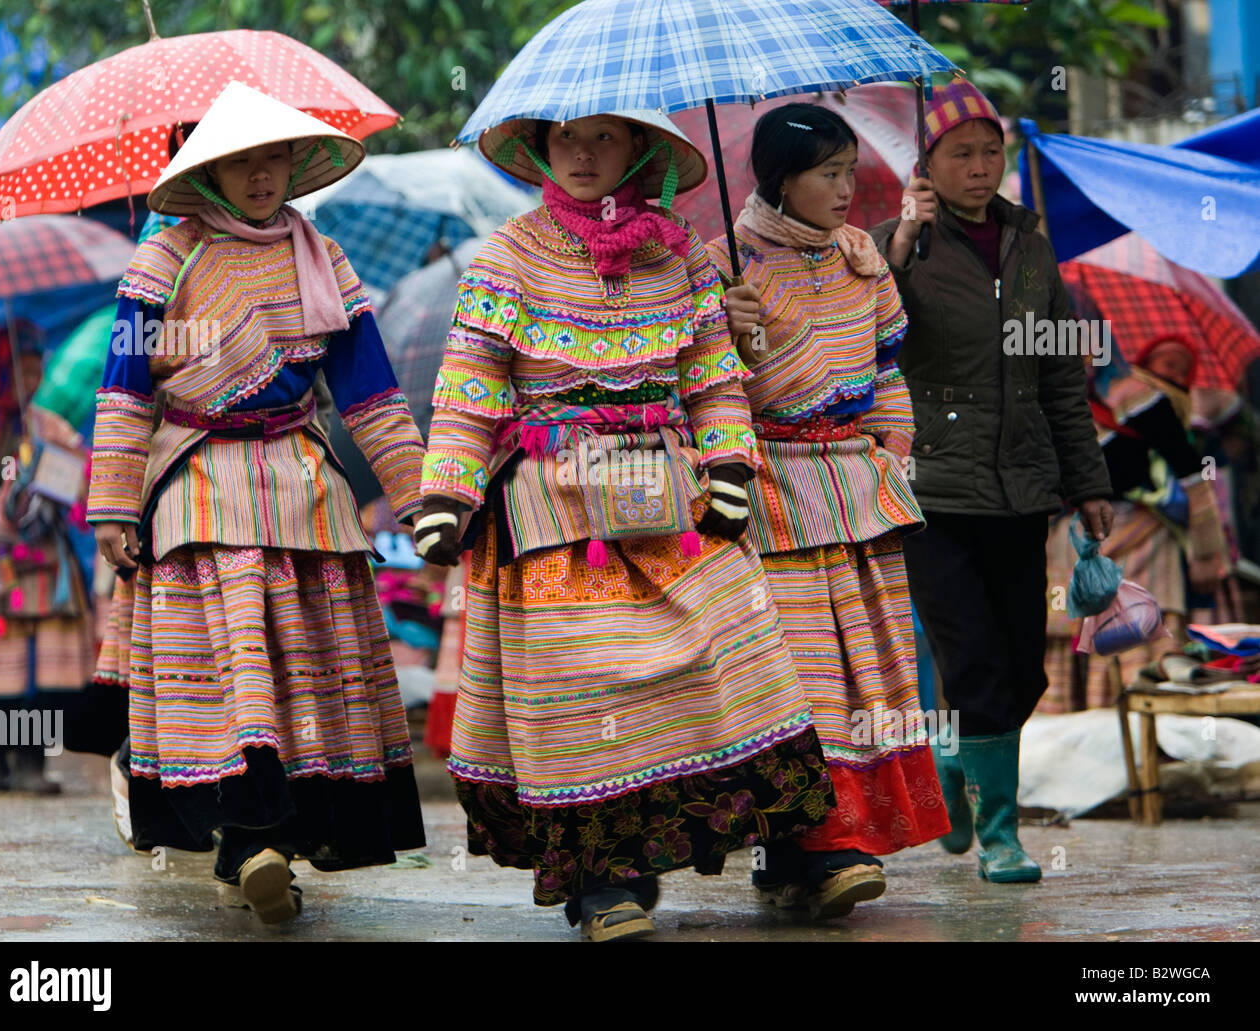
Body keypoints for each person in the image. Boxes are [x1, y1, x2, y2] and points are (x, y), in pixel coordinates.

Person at [414, 109, 833, 941]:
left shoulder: (679, 254)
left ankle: (797, 851)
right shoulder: (506, 256)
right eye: (564, 138)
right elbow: (469, 386)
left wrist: (730, 467)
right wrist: (446, 498)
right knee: (592, 689)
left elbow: (713, 377)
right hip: (557, 506)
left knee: (740, 647)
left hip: (673, 499)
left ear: (640, 150)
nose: (580, 153)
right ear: (539, 147)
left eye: (602, 138)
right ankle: (606, 883)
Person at [86, 82, 427, 924]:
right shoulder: (160, 262)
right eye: (238, 160)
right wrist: (113, 506)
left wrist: (424, 497)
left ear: (295, 162)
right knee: (235, 669)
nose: (259, 175)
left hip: (304, 489)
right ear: (204, 170)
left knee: (302, 669)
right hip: (200, 490)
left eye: (271, 156)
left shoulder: (324, 259)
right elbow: (125, 391)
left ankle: (271, 839)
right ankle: (246, 836)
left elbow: (372, 393)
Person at [869, 80, 1113, 883]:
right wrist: (902, 244)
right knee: (972, 661)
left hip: (1022, 491)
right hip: (931, 490)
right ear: (926, 163)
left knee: (1025, 666)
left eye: (989, 152)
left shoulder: (1033, 248)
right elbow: (873, 347)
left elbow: (1060, 381)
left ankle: (955, 763)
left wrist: (1090, 485)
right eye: (960, 154)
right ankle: (1001, 835)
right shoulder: (893, 245)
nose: (980, 168)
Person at [714, 104, 950, 917]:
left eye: (852, 171)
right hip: (770, 494)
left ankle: (818, 852)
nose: (848, 190)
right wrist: (723, 332)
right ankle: (810, 846)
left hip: (856, 490)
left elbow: (888, 372)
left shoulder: (863, 262)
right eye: (830, 174)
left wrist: (891, 449)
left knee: (867, 677)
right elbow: (701, 392)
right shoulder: (721, 267)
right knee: (798, 681)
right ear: (781, 178)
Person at [1041, 336, 1226, 710]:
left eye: (1180, 367)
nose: (1172, 372)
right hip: (1082, 538)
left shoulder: (1138, 398)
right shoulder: (1062, 402)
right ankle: (1099, 726)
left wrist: (1207, 550)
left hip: (1130, 538)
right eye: (1165, 362)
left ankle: (1127, 727)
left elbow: (1189, 469)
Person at [0, 321, 96, 793]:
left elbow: (82, 481)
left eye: (37, 372)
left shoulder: (46, 425)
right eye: (21, 372)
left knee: (40, 667)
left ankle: (33, 763)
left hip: (41, 564)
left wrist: (58, 475)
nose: (31, 383)